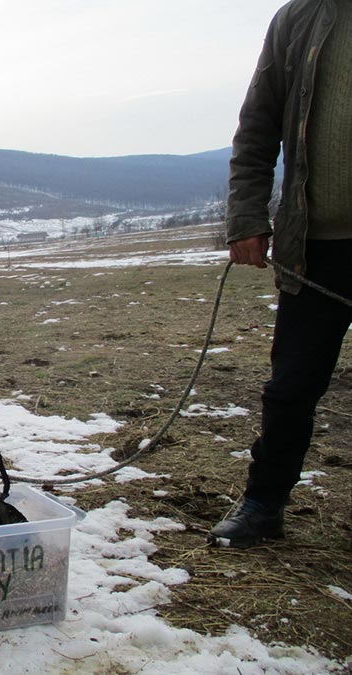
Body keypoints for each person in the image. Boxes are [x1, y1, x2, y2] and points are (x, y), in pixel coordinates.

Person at [210, 0, 352, 548]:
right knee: (290, 387)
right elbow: (258, 126)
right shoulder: (298, 19)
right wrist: (247, 217)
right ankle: (264, 506)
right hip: (314, 248)